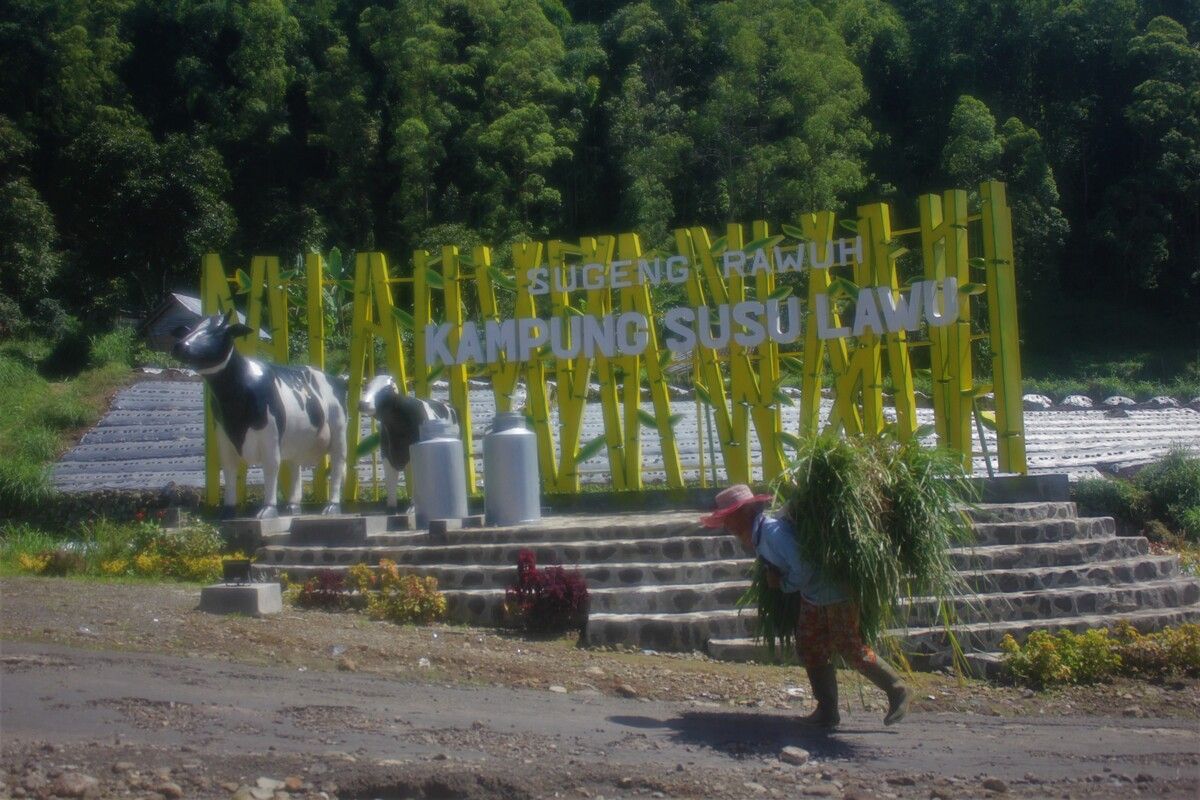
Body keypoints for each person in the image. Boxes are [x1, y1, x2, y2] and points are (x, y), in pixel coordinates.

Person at [701, 484, 912, 728]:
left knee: (850, 647)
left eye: (729, 518)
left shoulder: (773, 533)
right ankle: (827, 711)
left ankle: (898, 690)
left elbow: (805, 567)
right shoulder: (762, 537)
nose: (727, 525)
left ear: (746, 513)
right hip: (814, 596)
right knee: (810, 647)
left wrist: (783, 583)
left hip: (835, 593)